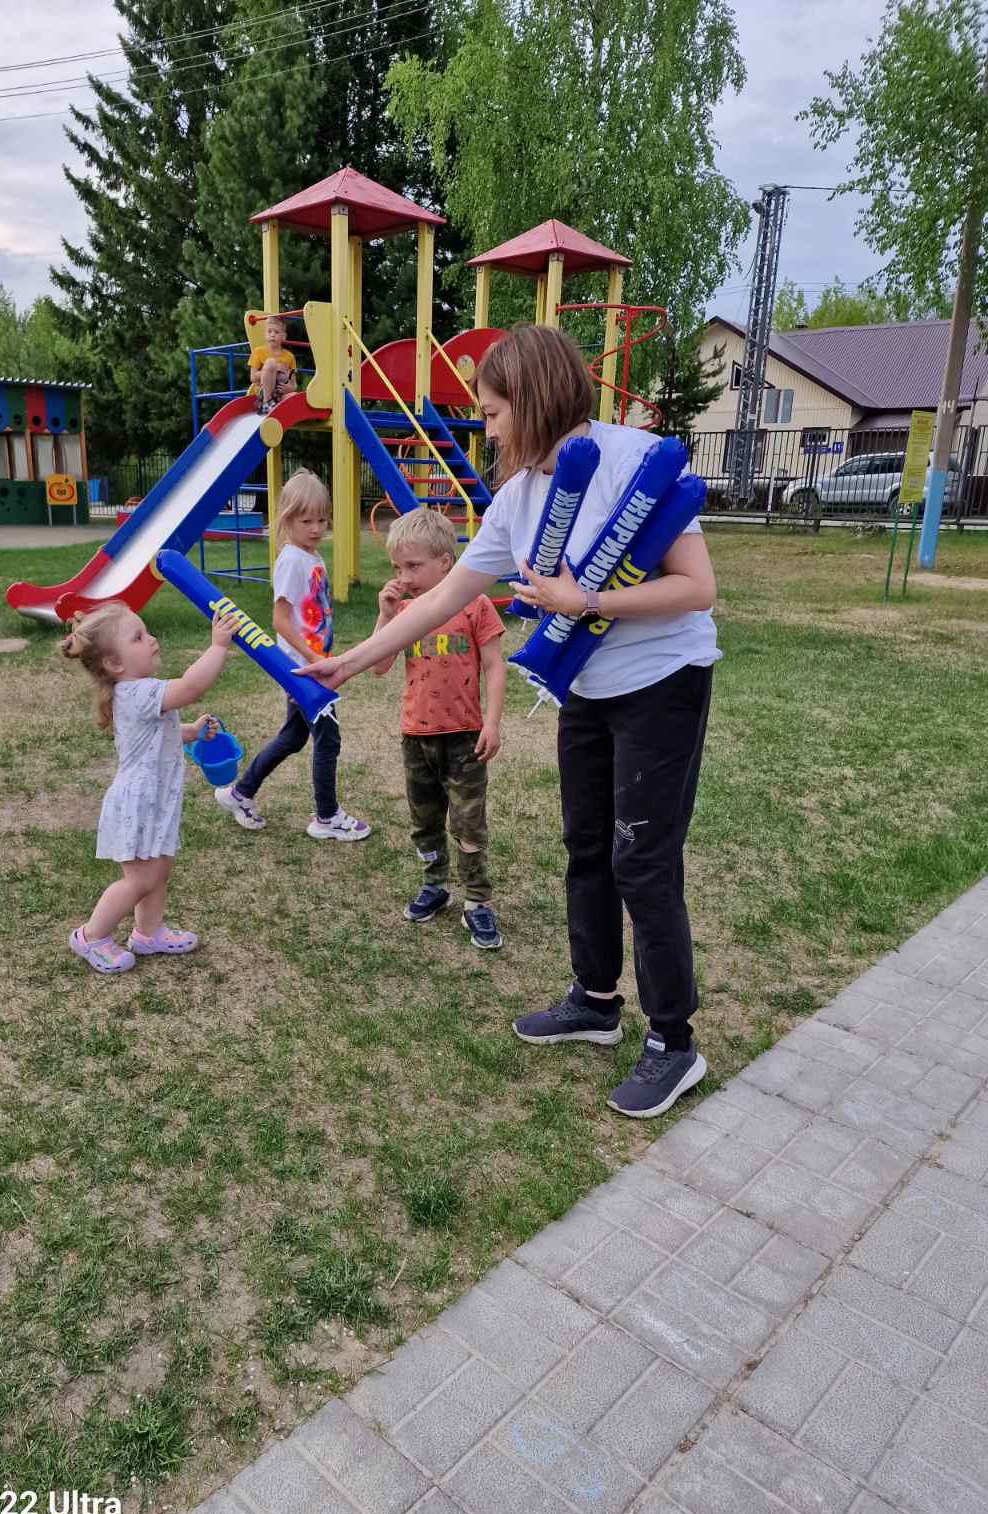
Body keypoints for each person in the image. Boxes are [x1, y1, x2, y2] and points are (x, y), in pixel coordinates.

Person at [299, 324, 720, 1118]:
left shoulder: (632, 458)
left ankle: (674, 1043)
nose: (486, 429)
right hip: (587, 689)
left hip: (663, 683)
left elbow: (697, 588)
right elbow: (442, 598)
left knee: (642, 861)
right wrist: (348, 662)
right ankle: (595, 1001)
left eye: (493, 412)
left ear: (533, 399)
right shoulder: (520, 497)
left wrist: (586, 600)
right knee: (586, 847)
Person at [61, 601, 240, 973]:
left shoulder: (138, 692)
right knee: (139, 880)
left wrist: (190, 731)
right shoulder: (136, 692)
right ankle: (91, 936)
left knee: (159, 870)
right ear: (115, 664)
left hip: (154, 801)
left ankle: (148, 932)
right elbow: (190, 687)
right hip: (138, 805)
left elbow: (160, 732)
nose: (152, 639)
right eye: (139, 637)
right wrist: (218, 646)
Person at [373, 507, 506, 950]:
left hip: (465, 738)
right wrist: (386, 616)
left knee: (468, 824)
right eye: (398, 568)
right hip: (416, 737)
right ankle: (435, 884)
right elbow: (379, 665)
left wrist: (492, 722)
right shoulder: (406, 612)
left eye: (413, 566)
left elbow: (494, 666)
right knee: (424, 820)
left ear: (445, 562)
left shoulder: (475, 605)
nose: (404, 577)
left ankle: (478, 900)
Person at [215, 469, 370, 841]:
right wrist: (310, 659)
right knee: (328, 738)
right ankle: (327, 817)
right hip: (302, 670)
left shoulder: (311, 556)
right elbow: (280, 620)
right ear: (287, 519)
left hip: (311, 665)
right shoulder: (291, 561)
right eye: (306, 521)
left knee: (294, 737)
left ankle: (240, 793)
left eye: (322, 520)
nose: (316, 528)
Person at [248, 315, 297, 415]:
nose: (272, 335)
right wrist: (272, 369)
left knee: (295, 396)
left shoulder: (290, 356)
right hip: (264, 392)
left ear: (283, 336)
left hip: (280, 395)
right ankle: (266, 403)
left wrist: (290, 388)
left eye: (276, 332)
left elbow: (294, 383)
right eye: (269, 331)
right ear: (265, 335)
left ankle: (274, 405)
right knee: (271, 362)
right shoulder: (258, 352)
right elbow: (253, 378)